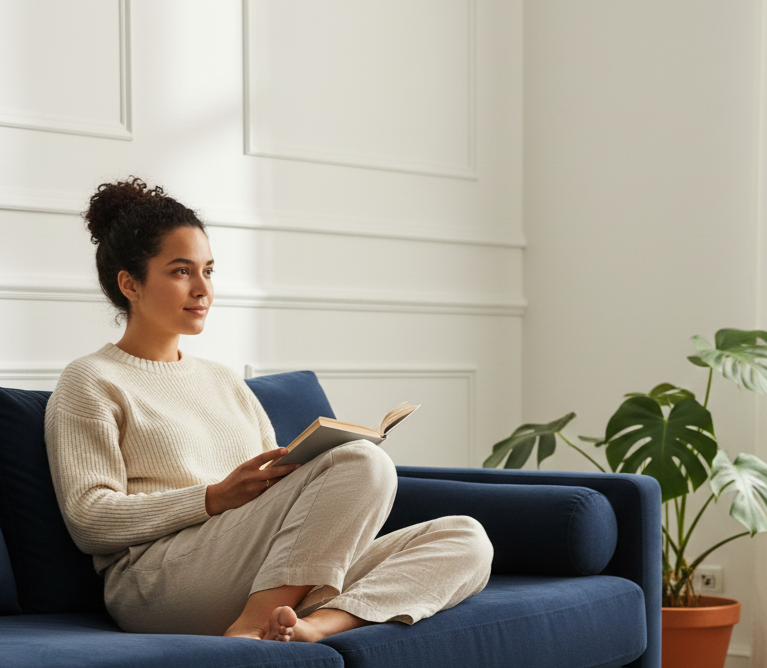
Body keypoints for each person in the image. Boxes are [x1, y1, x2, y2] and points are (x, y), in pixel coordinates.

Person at [45, 177, 493, 642]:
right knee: (362, 462)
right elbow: (89, 519)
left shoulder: (222, 380)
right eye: (182, 272)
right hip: (158, 581)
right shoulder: (91, 380)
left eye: (209, 271)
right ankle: (260, 622)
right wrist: (213, 497)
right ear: (129, 284)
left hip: (254, 567)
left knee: (465, 539)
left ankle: (313, 625)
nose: (203, 289)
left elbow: (274, 499)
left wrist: (287, 475)